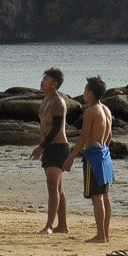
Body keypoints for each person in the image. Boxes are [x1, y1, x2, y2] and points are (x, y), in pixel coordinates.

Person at [67, 76, 114, 244]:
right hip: (104, 153)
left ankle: (101, 235)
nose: (83, 93)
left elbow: (83, 137)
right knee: (105, 196)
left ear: (91, 93)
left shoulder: (91, 111)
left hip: (93, 155)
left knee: (97, 197)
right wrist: (103, 149)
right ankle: (105, 234)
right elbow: (109, 136)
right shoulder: (106, 110)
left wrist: (71, 157)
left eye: (85, 90)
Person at [27, 67, 73, 235]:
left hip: (57, 147)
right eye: (43, 78)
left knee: (53, 187)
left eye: (46, 79)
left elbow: (56, 129)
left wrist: (41, 147)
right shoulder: (46, 99)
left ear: (54, 84)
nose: (42, 81)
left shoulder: (58, 102)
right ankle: (62, 225)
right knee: (58, 188)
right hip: (49, 147)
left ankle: (49, 225)